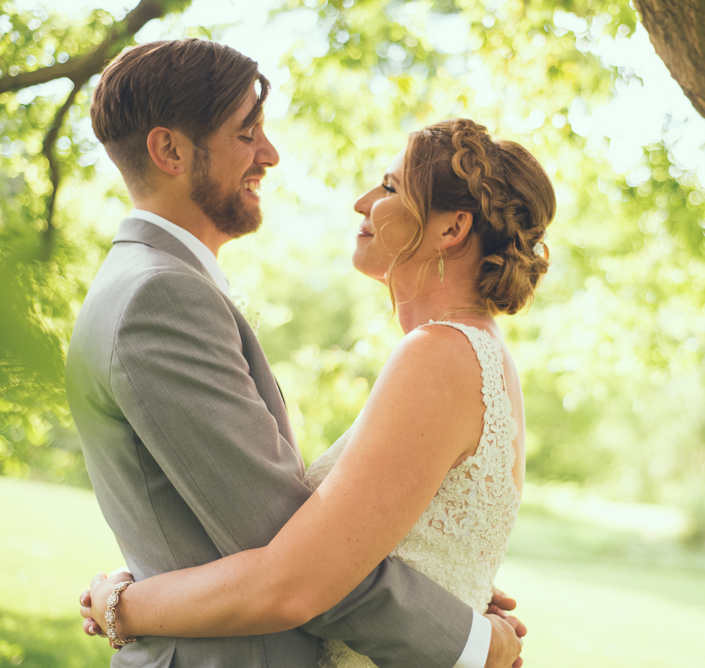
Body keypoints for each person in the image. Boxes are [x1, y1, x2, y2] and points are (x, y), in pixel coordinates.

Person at [65, 38, 526, 668]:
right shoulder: (160, 297)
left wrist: (124, 600)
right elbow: (293, 563)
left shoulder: (441, 354)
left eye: (388, 187)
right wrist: (467, 635)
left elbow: (295, 561)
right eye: (247, 133)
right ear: (169, 150)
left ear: (453, 229)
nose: (271, 154)